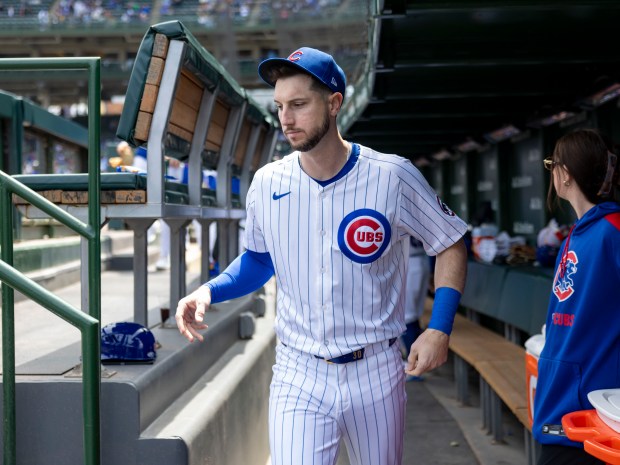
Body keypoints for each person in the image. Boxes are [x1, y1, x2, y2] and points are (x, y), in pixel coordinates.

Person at [175, 46, 468, 465]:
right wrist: (208, 291)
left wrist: (439, 328)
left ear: (333, 104)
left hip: (376, 366)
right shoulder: (266, 182)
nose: (286, 119)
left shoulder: (392, 175)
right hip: (299, 371)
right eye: (279, 106)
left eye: (298, 105)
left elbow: (450, 241)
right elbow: (259, 260)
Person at [533, 128, 620, 465]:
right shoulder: (578, 233)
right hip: (560, 401)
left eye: (551, 164)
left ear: (565, 174)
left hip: (594, 410)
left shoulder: (612, 230)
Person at [400, 237, 432, 382]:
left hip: (410, 263)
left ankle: (411, 365)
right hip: (421, 261)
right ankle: (416, 363)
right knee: (413, 315)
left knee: (408, 316)